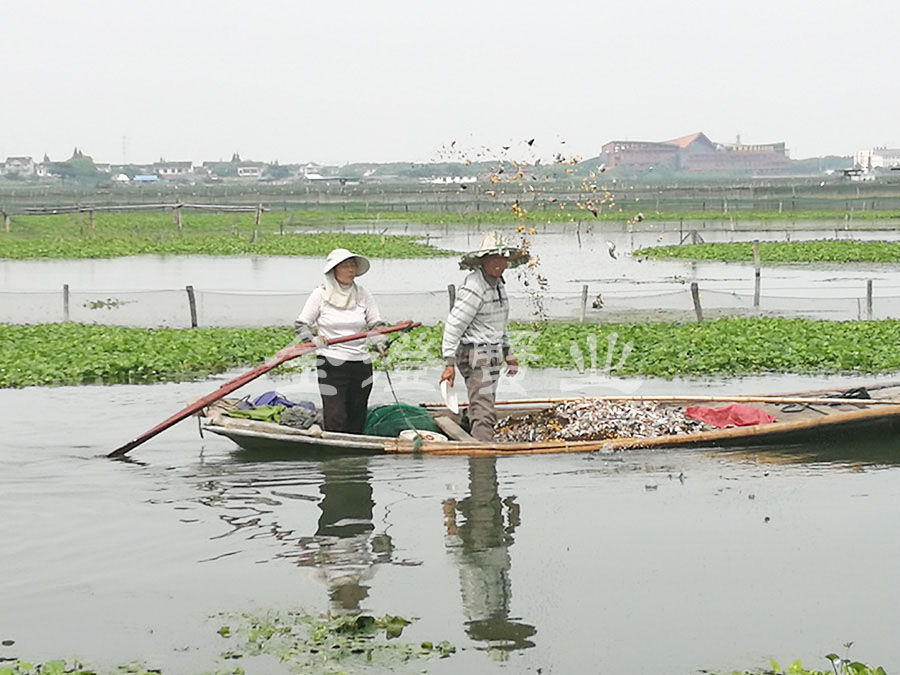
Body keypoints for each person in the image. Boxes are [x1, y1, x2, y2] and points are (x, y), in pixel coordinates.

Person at [439, 233, 530, 441]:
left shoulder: (498, 284)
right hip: (475, 352)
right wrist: (449, 363)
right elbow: (454, 325)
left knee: (481, 400)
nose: (499, 263)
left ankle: (464, 426)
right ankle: (482, 456)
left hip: (490, 351)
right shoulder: (475, 287)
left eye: (503, 258)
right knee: (484, 408)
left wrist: (508, 353)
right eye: (494, 258)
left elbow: (497, 323)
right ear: (483, 260)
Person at [294, 248, 388, 434]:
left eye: (352, 266)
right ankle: (334, 458)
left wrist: (379, 342)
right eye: (345, 266)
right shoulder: (320, 295)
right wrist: (313, 339)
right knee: (336, 414)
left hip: (360, 363)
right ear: (334, 270)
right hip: (331, 362)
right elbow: (301, 324)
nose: (350, 270)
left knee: (357, 412)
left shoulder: (363, 294)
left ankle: (355, 458)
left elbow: (376, 323)